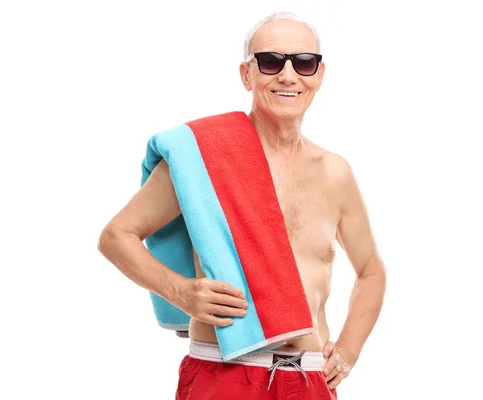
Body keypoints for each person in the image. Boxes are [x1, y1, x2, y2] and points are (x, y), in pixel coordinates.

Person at [97, 11, 386, 400]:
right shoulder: (201, 156)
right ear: (246, 74)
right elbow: (117, 236)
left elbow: (370, 271)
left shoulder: (335, 172)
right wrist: (181, 291)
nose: (288, 76)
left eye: (303, 62)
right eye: (270, 61)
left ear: (318, 75)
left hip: (309, 381)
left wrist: (348, 350)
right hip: (225, 374)